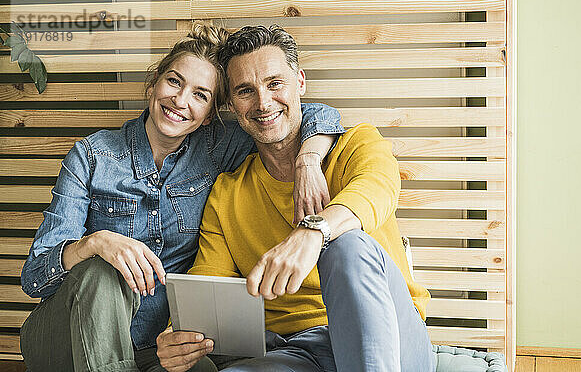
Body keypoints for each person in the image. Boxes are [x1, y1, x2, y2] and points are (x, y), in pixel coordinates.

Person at [19, 22, 344, 372]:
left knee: (201, 369)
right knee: (100, 271)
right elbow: (34, 275)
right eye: (174, 81)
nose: (180, 100)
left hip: (155, 346)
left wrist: (308, 159)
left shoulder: (218, 148)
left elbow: (304, 115)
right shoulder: (92, 155)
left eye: (201, 94)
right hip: (66, 337)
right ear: (154, 84)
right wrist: (95, 243)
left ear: (210, 116)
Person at [156, 25, 436, 372]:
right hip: (292, 352)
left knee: (347, 246)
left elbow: (377, 189)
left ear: (299, 82)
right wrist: (178, 336)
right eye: (245, 91)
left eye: (275, 83)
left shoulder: (356, 145)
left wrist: (313, 232)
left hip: (392, 337)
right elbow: (207, 291)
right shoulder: (227, 194)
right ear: (231, 104)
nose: (263, 102)